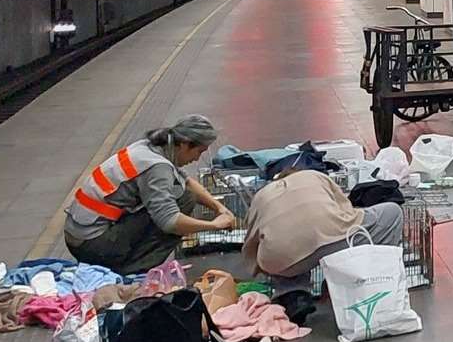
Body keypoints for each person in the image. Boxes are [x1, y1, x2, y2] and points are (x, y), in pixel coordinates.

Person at [62, 115, 237, 273]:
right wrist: (214, 225)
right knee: (183, 202)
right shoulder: (157, 167)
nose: (197, 159)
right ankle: (132, 271)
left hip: (79, 234)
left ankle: (124, 262)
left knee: (183, 193)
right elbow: (170, 222)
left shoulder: (150, 146)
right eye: (199, 151)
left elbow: (187, 182)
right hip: (92, 245)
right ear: (184, 144)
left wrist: (219, 208)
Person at [242, 166, 405, 284]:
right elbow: (348, 211)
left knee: (285, 251)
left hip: (282, 262)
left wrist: (260, 267)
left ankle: (294, 296)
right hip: (334, 242)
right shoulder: (313, 175)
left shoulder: (261, 196)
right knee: (392, 212)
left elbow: (251, 242)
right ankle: (371, 278)